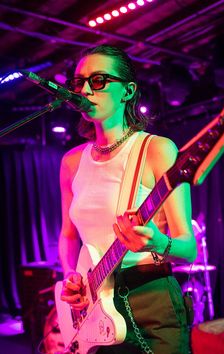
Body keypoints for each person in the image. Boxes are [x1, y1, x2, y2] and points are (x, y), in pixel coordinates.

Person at [58, 44, 197, 354]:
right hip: (96, 311)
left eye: (99, 80)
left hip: (151, 302)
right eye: (79, 82)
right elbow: (68, 234)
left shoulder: (157, 150)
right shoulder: (70, 162)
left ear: (128, 91)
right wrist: (71, 276)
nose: (85, 89)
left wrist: (156, 242)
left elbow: (188, 248)